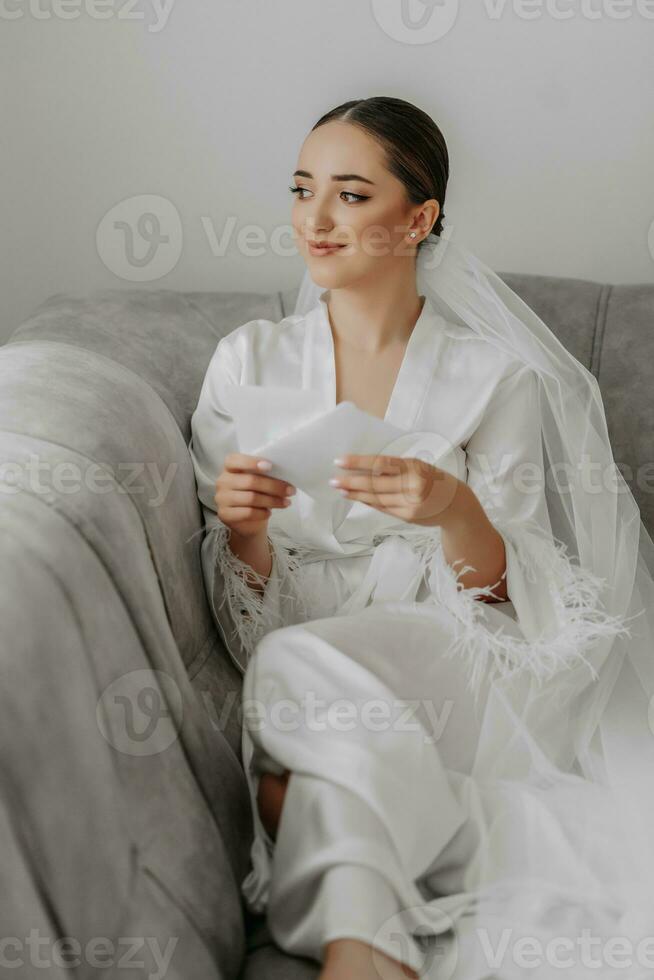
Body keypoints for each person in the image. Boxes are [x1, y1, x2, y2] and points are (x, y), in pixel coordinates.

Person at [188, 97, 654, 980]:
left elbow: (514, 615)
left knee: (293, 711)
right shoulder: (247, 362)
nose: (313, 220)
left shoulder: (492, 376)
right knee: (301, 753)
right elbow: (243, 627)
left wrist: (455, 512)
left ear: (420, 218)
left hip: (451, 657)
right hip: (321, 673)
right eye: (301, 189)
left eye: (351, 195)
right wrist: (244, 529)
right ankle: (369, 957)